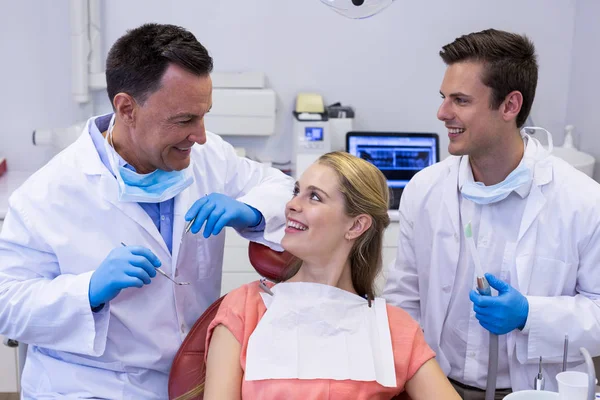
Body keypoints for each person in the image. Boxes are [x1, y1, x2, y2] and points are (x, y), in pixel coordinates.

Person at [0, 23, 293, 399]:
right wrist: (87, 290)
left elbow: (283, 190)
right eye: (185, 119)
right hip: (91, 384)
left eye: (204, 116)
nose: (200, 135)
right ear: (127, 109)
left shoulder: (208, 156)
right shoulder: (49, 192)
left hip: (189, 378)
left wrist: (251, 210)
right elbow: (7, 303)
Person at [383, 28, 600, 397]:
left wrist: (530, 314)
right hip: (435, 383)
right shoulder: (425, 189)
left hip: (531, 391)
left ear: (509, 106)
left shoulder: (583, 201)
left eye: (461, 100)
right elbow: (405, 295)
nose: (442, 112)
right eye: (443, 98)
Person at [198, 152, 461, 400]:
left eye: (314, 197)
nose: (291, 205)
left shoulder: (393, 328)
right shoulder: (244, 309)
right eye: (296, 192)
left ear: (356, 225)